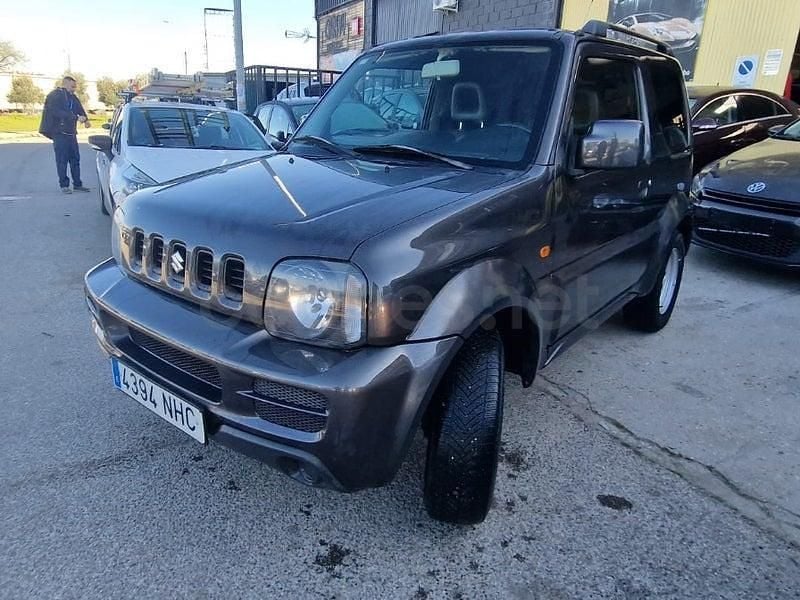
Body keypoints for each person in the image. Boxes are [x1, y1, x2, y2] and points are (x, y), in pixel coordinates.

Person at [39, 76, 91, 194]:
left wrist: (86, 119)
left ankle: (77, 184)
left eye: (75, 87)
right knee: (62, 160)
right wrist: (75, 117)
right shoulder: (55, 96)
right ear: (65, 84)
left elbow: (79, 109)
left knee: (75, 159)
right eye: (72, 86)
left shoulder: (73, 97)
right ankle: (64, 185)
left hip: (71, 133)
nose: (74, 89)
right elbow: (56, 112)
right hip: (59, 133)